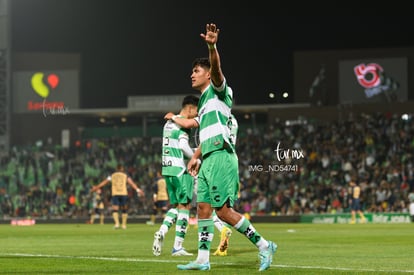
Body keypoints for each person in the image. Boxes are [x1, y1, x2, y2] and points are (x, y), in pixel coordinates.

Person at [176, 23, 277, 272]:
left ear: (208, 75)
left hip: (222, 156)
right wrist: (195, 156)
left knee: (223, 212)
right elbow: (202, 130)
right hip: (209, 158)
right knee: (203, 208)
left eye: (196, 71)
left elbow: (218, 70)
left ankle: (265, 245)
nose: (192, 75)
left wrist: (212, 46)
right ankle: (202, 259)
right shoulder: (203, 102)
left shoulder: (219, 90)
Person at [165, 112, 239, 256]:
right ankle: (221, 239)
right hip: (230, 163)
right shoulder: (233, 120)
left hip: (213, 163)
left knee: (203, 207)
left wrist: (174, 117)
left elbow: (189, 125)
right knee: (221, 208)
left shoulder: (214, 115)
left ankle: (220, 234)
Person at [153, 95, 200, 257]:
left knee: (176, 207)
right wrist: (196, 159)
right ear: (190, 108)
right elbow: (182, 145)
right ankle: (178, 247)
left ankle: (162, 231)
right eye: (196, 111)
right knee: (186, 206)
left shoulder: (168, 123)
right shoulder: (183, 125)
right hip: (179, 169)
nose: (196, 115)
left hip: (166, 169)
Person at [91, 164, 144, 229]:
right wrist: (138, 190)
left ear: (116, 169)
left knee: (115, 209)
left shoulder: (112, 175)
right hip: (123, 193)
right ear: (122, 169)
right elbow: (131, 183)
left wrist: (96, 188)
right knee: (124, 209)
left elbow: (104, 182)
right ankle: (124, 225)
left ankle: (117, 224)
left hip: (115, 193)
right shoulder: (125, 175)